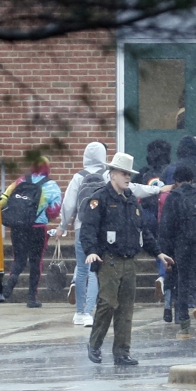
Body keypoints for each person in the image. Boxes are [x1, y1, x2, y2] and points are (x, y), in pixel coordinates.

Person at [82, 152, 174, 366]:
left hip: (130, 260)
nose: (127, 177)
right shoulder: (100, 199)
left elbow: (143, 230)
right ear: (112, 174)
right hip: (108, 259)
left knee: (125, 308)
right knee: (107, 303)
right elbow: (88, 228)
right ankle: (95, 344)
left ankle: (122, 352)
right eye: (123, 173)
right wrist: (91, 251)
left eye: (129, 174)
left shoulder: (132, 200)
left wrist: (158, 252)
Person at [159, 166, 196, 340]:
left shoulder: (174, 198)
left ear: (175, 182)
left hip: (182, 245)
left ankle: (184, 327)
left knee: (182, 283)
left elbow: (166, 228)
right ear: (192, 180)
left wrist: (166, 254)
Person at [56, 142, 106, 327]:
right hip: (99, 228)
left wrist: (62, 225)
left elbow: (68, 204)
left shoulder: (78, 176)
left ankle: (79, 312)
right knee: (95, 270)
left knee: (82, 268)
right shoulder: (107, 175)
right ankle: (89, 311)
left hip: (80, 226)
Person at [1, 156, 62, 308]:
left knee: (19, 259)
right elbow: (54, 210)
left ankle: (10, 282)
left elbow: (4, 199)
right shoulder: (51, 185)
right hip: (38, 229)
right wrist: (44, 215)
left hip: (18, 227)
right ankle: (31, 298)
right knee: (36, 262)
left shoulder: (20, 181)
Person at [133, 139, 172, 304]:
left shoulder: (143, 172)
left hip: (147, 215)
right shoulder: (170, 171)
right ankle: (163, 277)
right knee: (164, 247)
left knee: (153, 245)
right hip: (165, 214)